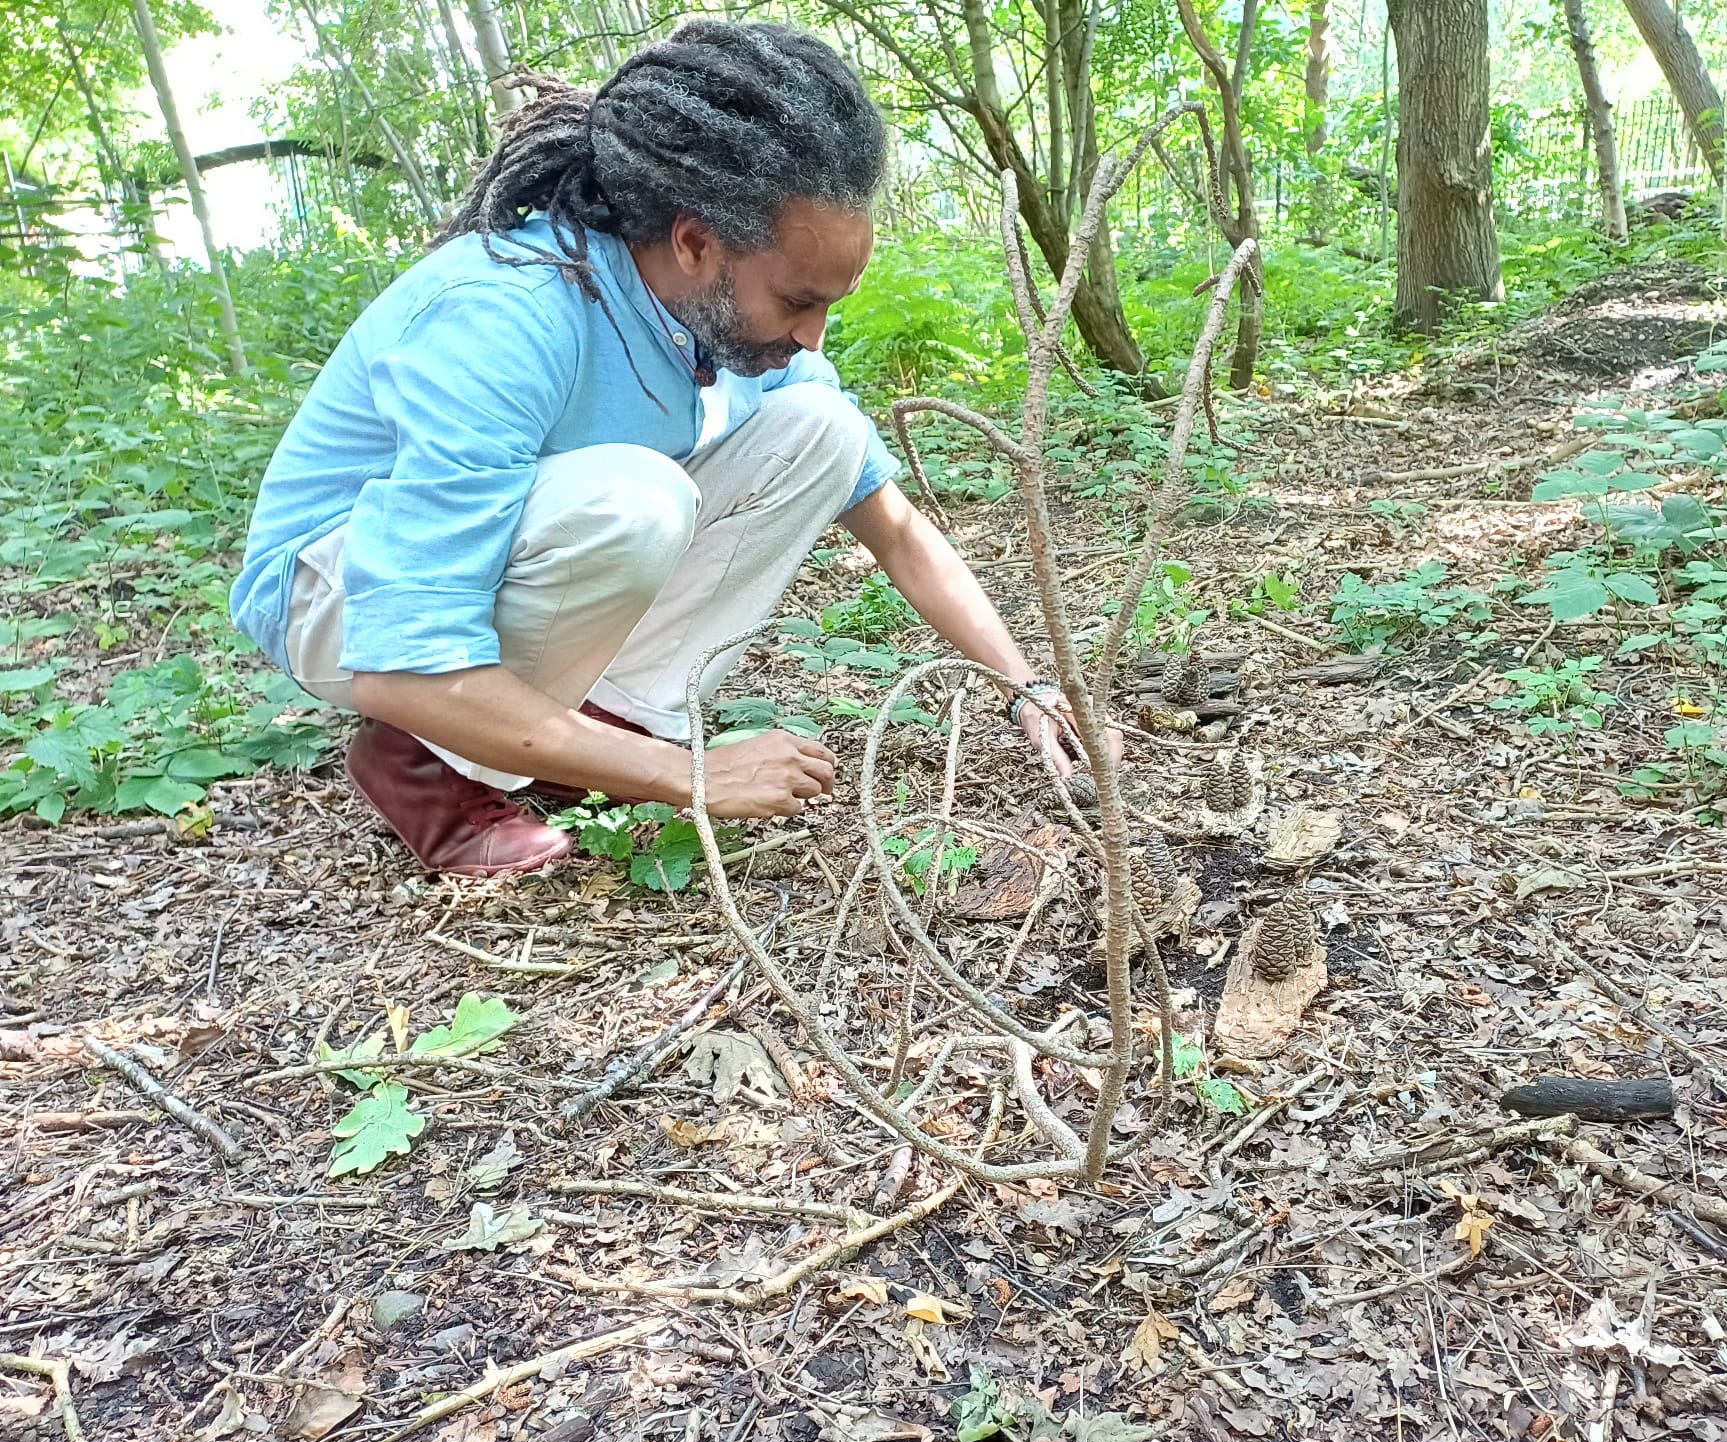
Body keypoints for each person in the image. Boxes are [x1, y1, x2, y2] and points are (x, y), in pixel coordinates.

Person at [230, 20, 1104, 877]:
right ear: (694, 243)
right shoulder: (507, 316)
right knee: (637, 501)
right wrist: (693, 777)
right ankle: (426, 767)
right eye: (798, 301)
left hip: (484, 566)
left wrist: (1027, 691)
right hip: (341, 599)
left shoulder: (721, 329)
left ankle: (581, 736)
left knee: (826, 434)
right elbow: (401, 663)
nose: (813, 337)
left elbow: (899, 532)